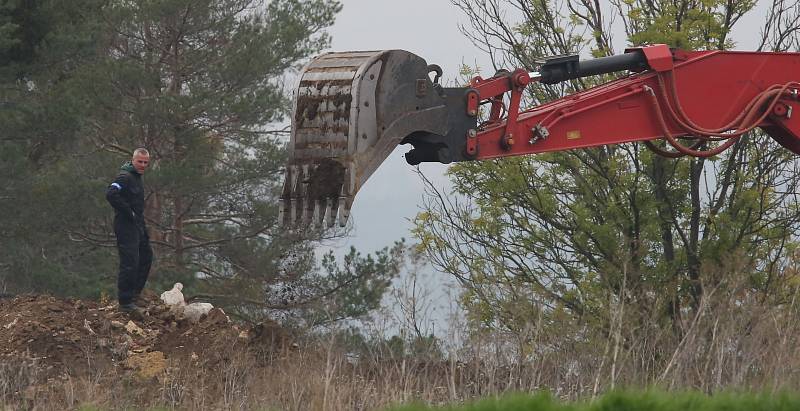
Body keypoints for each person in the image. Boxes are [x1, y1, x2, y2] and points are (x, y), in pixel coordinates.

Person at [106, 148, 153, 311]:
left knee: (146, 256)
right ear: (133, 160)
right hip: (125, 225)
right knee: (130, 262)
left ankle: (134, 295)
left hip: (137, 224)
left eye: (146, 162)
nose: (142, 165)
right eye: (140, 161)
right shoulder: (124, 176)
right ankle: (125, 302)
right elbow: (111, 194)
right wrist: (129, 211)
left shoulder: (136, 177)